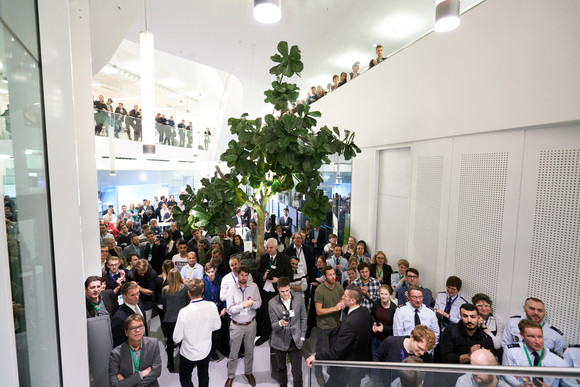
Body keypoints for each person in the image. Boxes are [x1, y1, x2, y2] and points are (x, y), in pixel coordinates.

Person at [306, 285, 373, 387]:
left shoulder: (350, 323)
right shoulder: (364, 311)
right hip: (358, 366)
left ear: (352, 300)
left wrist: (315, 356)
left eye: (345, 296)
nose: (342, 297)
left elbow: (336, 352)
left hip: (346, 368)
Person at [173, 278, 221, 387]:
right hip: (205, 351)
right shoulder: (212, 306)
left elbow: (176, 338)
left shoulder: (183, 312)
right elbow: (217, 326)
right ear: (203, 290)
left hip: (188, 354)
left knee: (185, 377)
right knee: (203, 375)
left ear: (188, 293)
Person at [438, 304, 495, 384]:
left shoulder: (485, 338)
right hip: (451, 379)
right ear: (460, 316)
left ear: (478, 317)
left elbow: (491, 365)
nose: (469, 320)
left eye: (472, 317)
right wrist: (470, 355)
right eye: (465, 316)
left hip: (477, 380)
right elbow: (446, 358)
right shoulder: (450, 331)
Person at [225, 265, 262, 387]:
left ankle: (249, 373)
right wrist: (243, 305)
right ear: (237, 275)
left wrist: (252, 305)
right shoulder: (231, 289)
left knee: (249, 351)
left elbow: (259, 303)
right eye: (242, 275)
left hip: (251, 324)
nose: (244, 278)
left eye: (246, 275)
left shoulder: (254, 286)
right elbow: (230, 310)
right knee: (233, 353)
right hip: (236, 325)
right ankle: (231, 376)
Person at [502, 319, 568, 387]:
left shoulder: (558, 360)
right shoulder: (512, 351)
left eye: (540, 337)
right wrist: (520, 385)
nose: (537, 341)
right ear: (522, 335)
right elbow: (506, 374)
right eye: (531, 336)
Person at [268, 276, 307, 387]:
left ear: (289, 287)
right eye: (282, 291)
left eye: (287, 291)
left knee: (298, 373)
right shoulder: (272, 303)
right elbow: (274, 325)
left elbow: (303, 317)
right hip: (279, 340)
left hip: (295, 340)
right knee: (281, 369)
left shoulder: (299, 298)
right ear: (278, 289)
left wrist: (302, 337)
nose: (285, 294)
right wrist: (280, 323)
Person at [312, 265, 345, 385]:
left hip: (336, 324)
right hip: (323, 326)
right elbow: (318, 311)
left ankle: (333, 370)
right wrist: (335, 308)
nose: (333, 277)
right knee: (320, 350)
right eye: (330, 275)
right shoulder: (320, 290)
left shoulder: (339, 287)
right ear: (324, 276)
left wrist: (342, 303)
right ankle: (318, 372)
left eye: (334, 274)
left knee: (334, 350)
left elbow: (343, 299)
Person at [256, 238, 292, 346]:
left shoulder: (284, 258)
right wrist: (264, 276)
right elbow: (257, 273)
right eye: (267, 247)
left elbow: (290, 276)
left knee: (282, 312)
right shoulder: (264, 258)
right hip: (266, 291)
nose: (268, 250)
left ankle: (283, 335)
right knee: (265, 313)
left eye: (271, 247)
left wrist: (278, 280)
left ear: (276, 247)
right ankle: (265, 334)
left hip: (279, 292)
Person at [108, 314, 161, 387]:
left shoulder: (153, 344)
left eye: (140, 326)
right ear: (126, 332)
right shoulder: (116, 354)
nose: (138, 330)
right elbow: (115, 385)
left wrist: (127, 383)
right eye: (133, 328)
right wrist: (141, 374)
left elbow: (156, 372)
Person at [160, 268, 189, 372]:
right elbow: (188, 303)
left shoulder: (165, 290)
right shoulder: (185, 288)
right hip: (182, 319)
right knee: (183, 343)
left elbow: (164, 305)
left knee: (170, 344)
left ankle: (170, 363)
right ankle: (184, 363)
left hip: (169, 319)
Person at [111, 282, 147, 347]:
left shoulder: (140, 303)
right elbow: (119, 343)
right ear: (124, 296)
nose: (137, 297)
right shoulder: (119, 318)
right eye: (132, 295)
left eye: (138, 293)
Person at [371, 284, 397, 352]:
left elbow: (395, 327)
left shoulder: (394, 309)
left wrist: (383, 328)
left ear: (390, 295)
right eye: (381, 294)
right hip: (376, 337)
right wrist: (375, 324)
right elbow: (372, 316)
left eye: (386, 294)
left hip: (387, 339)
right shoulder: (376, 304)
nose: (383, 296)